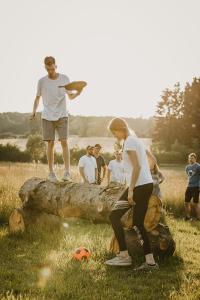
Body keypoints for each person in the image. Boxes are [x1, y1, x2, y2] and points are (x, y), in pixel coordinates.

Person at [105, 118, 158, 271]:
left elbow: (137, 166)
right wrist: (157, 171)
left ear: (120, 128)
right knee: (138, 223)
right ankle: (150, 262)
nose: (114, 135)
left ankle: (124, 256)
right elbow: (150, 158)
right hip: (146, 184)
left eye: (114, 132)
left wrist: (130, 190)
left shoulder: (129, 142)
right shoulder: (136, 140)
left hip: (139, 186)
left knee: (114, 216)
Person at [30, 56, 81, 183]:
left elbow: (70, 97)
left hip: (62, 115)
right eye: (48, 68)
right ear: (45, 67)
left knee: (64, 142)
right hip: (47, 116)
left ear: (56, 66)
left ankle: (67, 172)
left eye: (52, 68)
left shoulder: (64, 79)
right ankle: (51, 173)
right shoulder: (41, 81)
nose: (50, 70)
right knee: (50, 144)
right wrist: (34, 111)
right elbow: (37, 98)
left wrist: (78, 93)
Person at [185, 153, 200, 220]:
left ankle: (198, 218)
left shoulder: (198, 166)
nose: (191, 159)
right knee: (186, 202)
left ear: (195, 159)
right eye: (190, 158)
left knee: (195, 203)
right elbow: (189, 176)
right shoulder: (187, 167)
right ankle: (188, 217)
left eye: (192, 158)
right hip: (189, 186)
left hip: (196, 187)